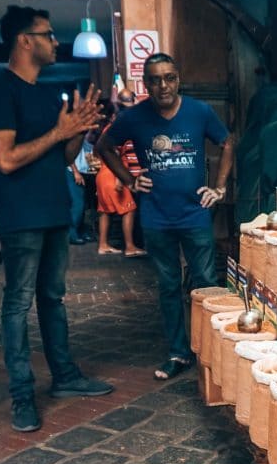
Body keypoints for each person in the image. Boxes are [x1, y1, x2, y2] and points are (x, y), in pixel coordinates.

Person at [0, 5, 115, 432]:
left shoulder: (47, 92)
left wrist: (80, 128)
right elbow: (6, 159)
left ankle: (64, 377)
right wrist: (58, 133)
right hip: (20, 215)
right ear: (25, 40)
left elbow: (64, 157)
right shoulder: (0, 88)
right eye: (47, 34)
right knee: (17, 303)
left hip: (53, 211)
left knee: (53, 298)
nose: (55, 41)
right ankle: (22, 395)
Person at [97, 53, 234, 381]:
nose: (163, 85)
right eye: (155, 79)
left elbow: (228, 143)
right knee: (169, 286)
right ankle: (179, 352)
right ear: (146, 83)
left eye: (169, 77)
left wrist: (219, 188)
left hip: (196, 214)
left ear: (178, 78)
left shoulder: (199, 112)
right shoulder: (135, 117)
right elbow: (104, 145)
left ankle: (212, 354)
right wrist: (129, 179)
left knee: (205, 285)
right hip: (156, 218)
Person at [94, 103, 144, 257]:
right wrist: (120, 179)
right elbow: (113, 155)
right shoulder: (114, 130)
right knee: (130, 209)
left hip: (103, 175)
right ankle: (130, 247)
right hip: (112, 174)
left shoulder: (105, 129)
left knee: (104, 211)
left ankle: (103, 245)